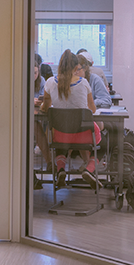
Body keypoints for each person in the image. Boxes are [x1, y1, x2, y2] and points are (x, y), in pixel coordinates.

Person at [36, 50, 97, 183]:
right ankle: (89, 169)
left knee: (61, 140)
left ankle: (61, 169)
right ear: (76, 67)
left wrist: (41, 106)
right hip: (83, 135)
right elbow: (92, 109)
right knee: (101, 144)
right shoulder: (84, 83)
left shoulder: (50, 82)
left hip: (61, 134)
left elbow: (45, 108)